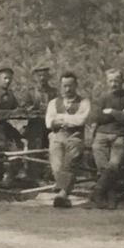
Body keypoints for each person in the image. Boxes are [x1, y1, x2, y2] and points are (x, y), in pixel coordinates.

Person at [90, 68, 124, 209]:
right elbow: (96, 117)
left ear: (122, 81)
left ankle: (97, 193)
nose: (113, 84)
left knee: (114, 164)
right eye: (110, 81)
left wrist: (111, 112)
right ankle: (111, 195)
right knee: (103, 166)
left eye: (116, 80)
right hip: (101, 135)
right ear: (107, 82)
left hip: (119, 135)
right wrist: (119, 114)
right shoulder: (102, 98)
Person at [44, 72, 91, 208]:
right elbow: (49, 122)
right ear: (60, 86)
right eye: (64, 86)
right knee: (57, 162)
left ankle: (61, 193)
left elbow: (81, 120)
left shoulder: (84, 102)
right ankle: (63, 195)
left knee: (71, 161)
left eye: (70, 86)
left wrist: (61, 118)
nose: (67, 89)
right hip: (57, 135)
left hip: (74, 136)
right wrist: (69, 119)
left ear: (76, 86)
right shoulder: (54, 102)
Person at [0, 66, 26, 187]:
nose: (8, 81)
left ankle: (11, 176)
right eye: (5, 78)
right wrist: (11, 113)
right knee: (3, 147)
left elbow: (16, 108)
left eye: (10, 78)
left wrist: (24, 110)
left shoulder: (10, 94)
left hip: (5, 126)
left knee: (20, 143)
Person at [24, 65, 59, 155]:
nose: (42, 78)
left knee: (52, 150)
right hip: (35, 127)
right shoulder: (30, 93)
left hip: (51, 127)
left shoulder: (54, 92)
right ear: (35, 77)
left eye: (44, 75)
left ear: (48, 77)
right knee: (35, 151)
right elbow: (24, 109)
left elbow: (59, 108)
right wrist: (31, 109)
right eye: (39, 76)